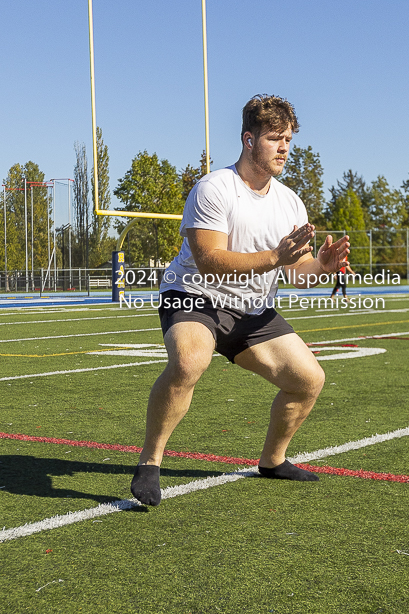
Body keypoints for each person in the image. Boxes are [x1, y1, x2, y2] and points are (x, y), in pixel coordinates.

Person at [131, 94, 350, 506]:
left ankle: (273, 461)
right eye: (274, 137)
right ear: (249, 140)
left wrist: (321, 265)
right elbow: (210, 261)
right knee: (188, 361)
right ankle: (150, 461)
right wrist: (275, 258)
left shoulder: (290, 201)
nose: (284, 146)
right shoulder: (215, 188)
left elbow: (296, 272)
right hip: (196, 296)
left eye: (288, 138)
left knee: (308, 380)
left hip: (251, 309)